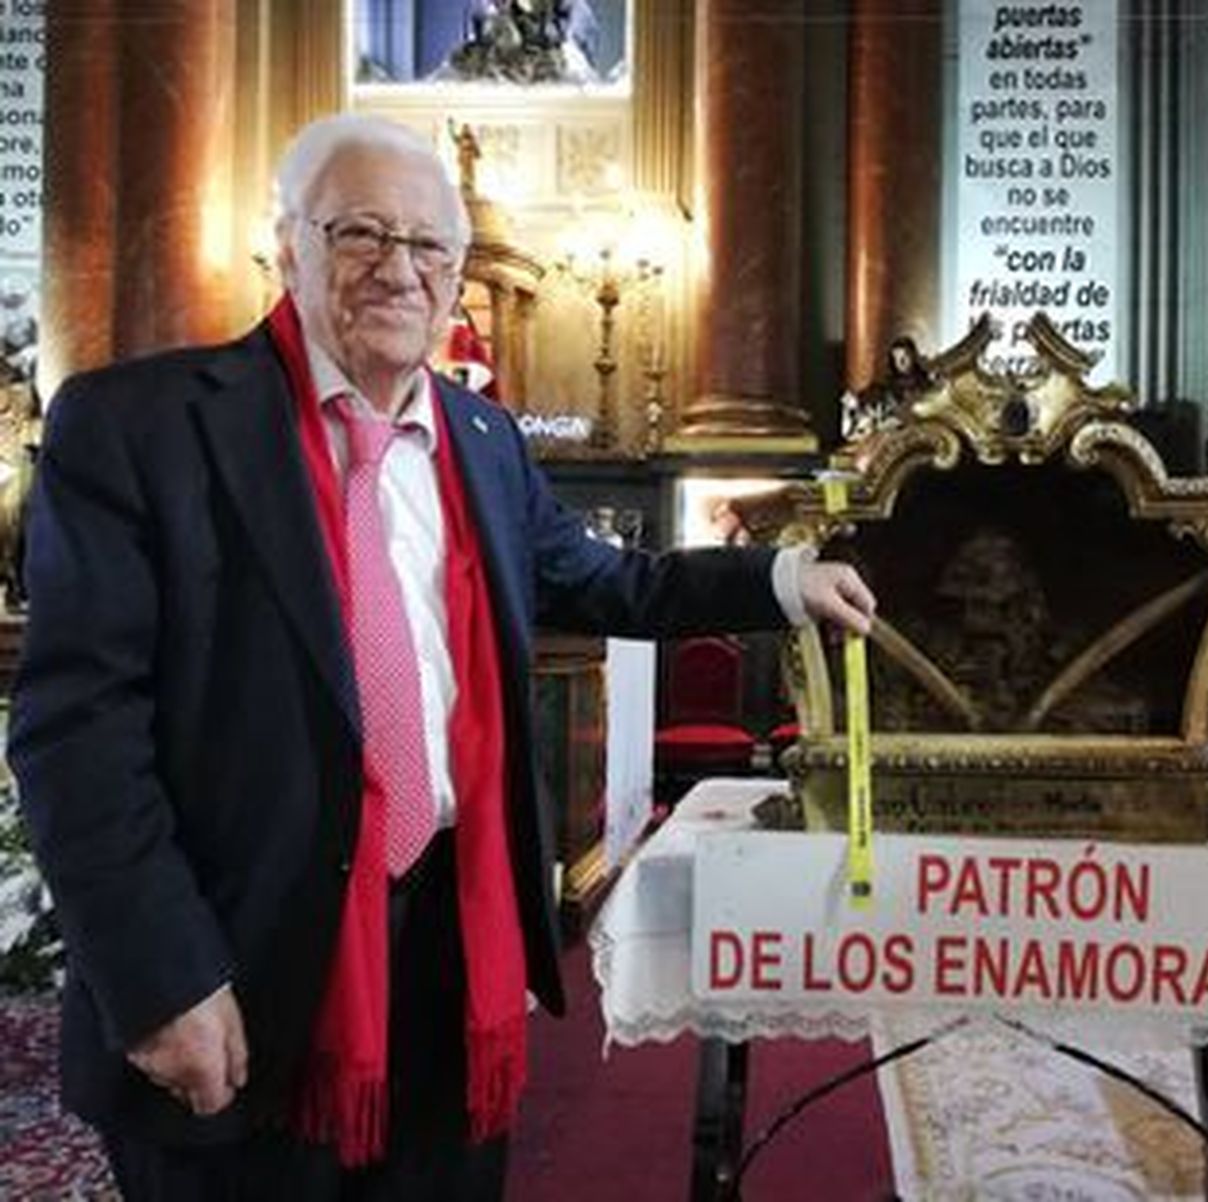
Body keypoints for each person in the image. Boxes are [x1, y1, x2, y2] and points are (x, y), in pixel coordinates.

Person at [7, 113, 875, 1201]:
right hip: (244, 953)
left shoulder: (481, 438)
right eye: (362, 232)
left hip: (452, 952)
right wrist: (158, 974)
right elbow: (78, 733)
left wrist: (783, 580)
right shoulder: (144, 426)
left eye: (429, 247)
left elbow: (614, 582)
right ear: (289, 243)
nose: (399, 270)